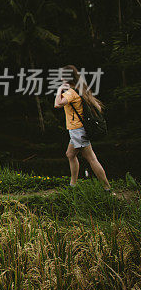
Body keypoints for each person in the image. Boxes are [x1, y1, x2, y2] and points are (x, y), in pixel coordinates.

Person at [53, 65, 115, 195]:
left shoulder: (70, 92)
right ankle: (73, 185)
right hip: (77, 130)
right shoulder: (80, 89)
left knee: (91, 158)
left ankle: (107, 189)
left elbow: (57, 104)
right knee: (70, 154)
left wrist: (59, 90)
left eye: (62, 75)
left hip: (77, 131)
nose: (60, 77)